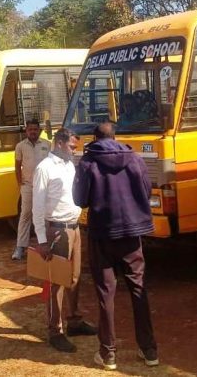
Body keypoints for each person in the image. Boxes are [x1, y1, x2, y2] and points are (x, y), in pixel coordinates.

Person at [73, 122, 158, 370]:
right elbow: (146, 189)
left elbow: (80, 199)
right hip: (132, 234)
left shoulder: (89, 162)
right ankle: (149, 350)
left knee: (105, 294)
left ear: (96, 138)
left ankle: (108, 354)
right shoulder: (134, 159)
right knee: (138, 289)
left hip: (103, 234)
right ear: (115, 137)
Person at [32, 128, 96, 353]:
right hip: (57, 230)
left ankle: (74, 321)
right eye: (71, 147)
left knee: (75, 277)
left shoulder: (69, 164)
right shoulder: (44, 168)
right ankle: (55, 330)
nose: (74, 151)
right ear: (59, 143)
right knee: (56, 281)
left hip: (74, 228)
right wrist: (41, 239)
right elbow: (37, 206)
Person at [11, 119, 51, 260]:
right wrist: (20, 183)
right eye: (30, 129)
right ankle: (20, 248)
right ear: (26, 131)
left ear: (39, 130)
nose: (33, 131)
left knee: (45, 216)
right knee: (25, 216)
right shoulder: (20, 146)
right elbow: (17, 166)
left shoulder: (47, 145)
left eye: (35, 129)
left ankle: (47, 246)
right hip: (27, 186)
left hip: (44, 187)